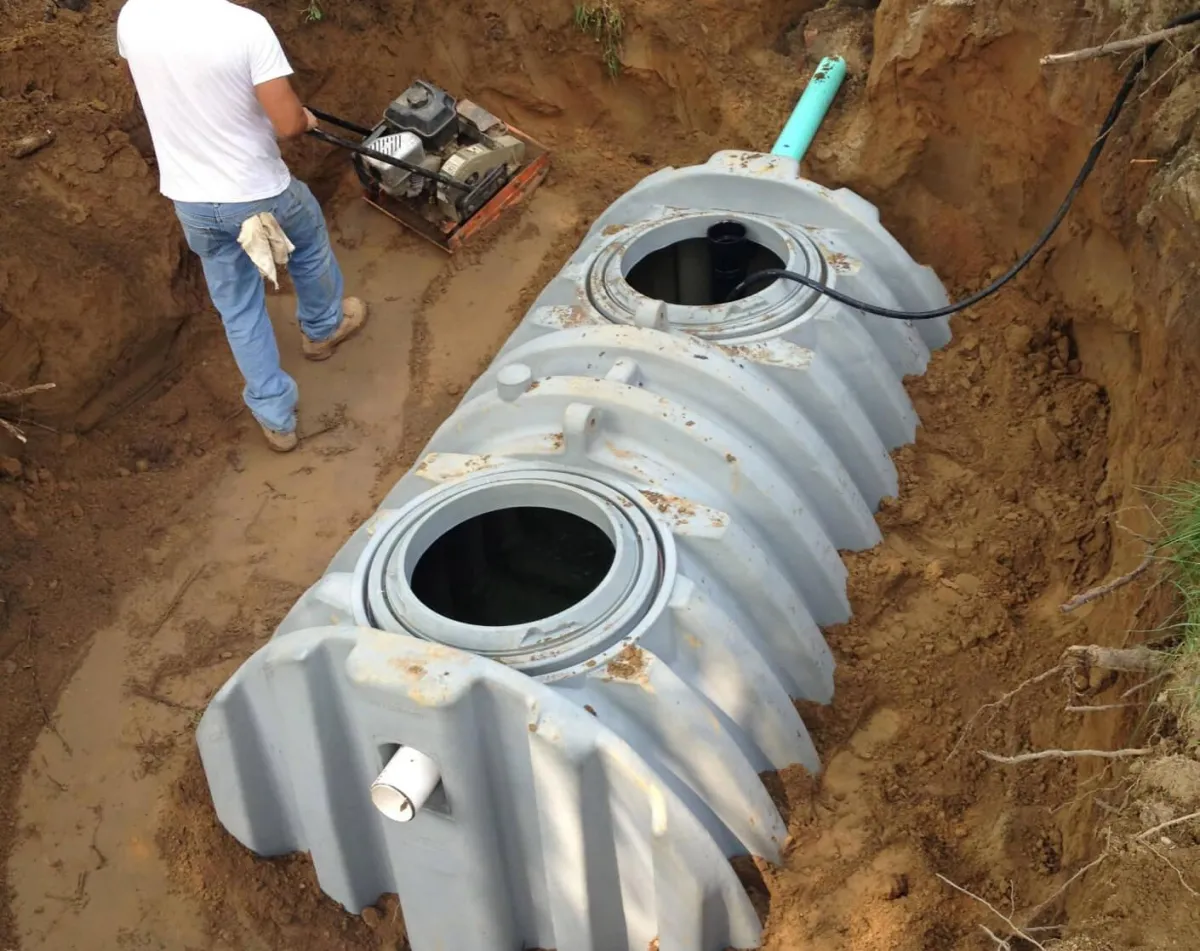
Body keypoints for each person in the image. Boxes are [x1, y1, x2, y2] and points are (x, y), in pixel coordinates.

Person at [117, 0, 368, 452]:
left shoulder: (134, 14)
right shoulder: (246, 28)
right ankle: (323, 328)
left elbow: (157, 86)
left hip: (192, 199)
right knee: (308, 240)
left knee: (238, 305)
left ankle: (275, 416)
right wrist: (303, 117)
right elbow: (289, 123)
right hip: (257, 191)